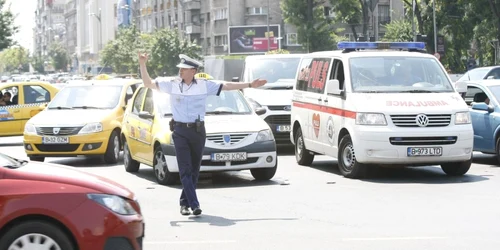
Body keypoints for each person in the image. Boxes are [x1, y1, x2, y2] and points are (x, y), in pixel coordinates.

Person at [138, 53, 267, 216]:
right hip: (180, 131)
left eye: (184, 69)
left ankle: (184, 203)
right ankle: (195, 204)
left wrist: (249, 84)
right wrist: (142, 64)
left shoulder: (203, 85)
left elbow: (226, 86)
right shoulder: (172, 84)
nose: (180, 71)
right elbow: (148, 83)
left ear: (193, 71)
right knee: (184, 169)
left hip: (198, 132)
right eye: (180, 69)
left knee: (194, 170)